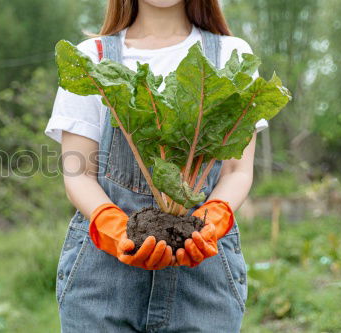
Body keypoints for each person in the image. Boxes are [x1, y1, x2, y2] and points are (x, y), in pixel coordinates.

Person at [44, 0, 268, 331]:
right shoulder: (92, 58)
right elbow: (78, 175)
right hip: (102, 285)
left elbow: (238, 171)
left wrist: (214, 217)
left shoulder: (230, 54)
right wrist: (113, 228)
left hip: (203, 281)